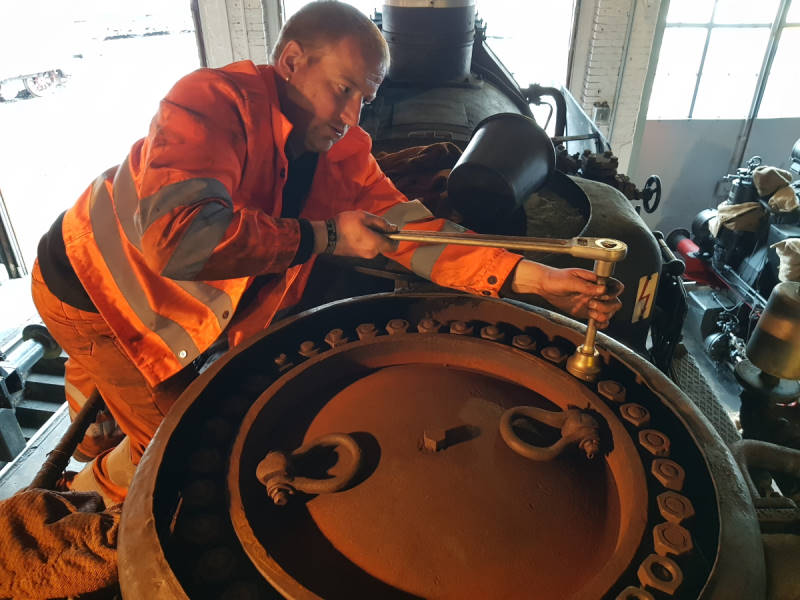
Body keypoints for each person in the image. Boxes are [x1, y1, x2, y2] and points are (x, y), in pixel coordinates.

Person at [31, 0, 622, 505]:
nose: (350, 117)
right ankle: (75, 503)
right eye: (342, 89)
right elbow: (180, 238)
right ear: (291, 62)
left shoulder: (341, 154)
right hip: (94, 289)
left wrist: (532, 276)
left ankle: (92, 424)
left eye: (364, 98)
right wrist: (327, 236)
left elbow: (413, 234)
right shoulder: (212, 101)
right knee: (168, 449)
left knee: (103, 408)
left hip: (152, 292)